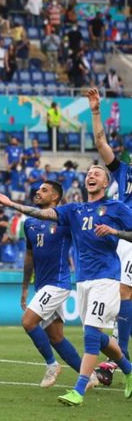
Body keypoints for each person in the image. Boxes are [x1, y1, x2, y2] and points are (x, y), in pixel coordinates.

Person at [0, 164, 132, 406]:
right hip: (84, 281)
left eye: (97, 173)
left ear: (106, 183)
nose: (91, 175)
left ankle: (79, 389)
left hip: (107, 278)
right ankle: (129, 370)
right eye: (89, 173)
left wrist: (115, 231)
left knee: (90, 336)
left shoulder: (116, 207)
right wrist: (12, 205)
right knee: (97, 339)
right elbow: (43, 214)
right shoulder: (74, 210)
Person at [88, 88, 132, 386]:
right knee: (123, 293)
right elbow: (101, 142)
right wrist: (95, 111)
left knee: (125, 292)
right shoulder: (124, 172)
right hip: (125, 238)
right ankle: (117, 359)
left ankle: (119, 357)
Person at [20, 180, 82, 387]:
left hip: (58, 283)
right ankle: (88, 375)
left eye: (44, 190)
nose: (38, 192)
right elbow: (29, 257)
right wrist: (25, 288)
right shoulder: (29, 223)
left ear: (55, 197)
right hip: (42, 285)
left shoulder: (65, 220)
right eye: (38, 189)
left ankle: (51, 365)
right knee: (56, 338)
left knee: (28, 322)